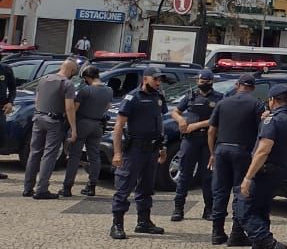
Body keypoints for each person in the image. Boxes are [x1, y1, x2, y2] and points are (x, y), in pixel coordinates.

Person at [236, 84, 287, 249]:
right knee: (260, 210)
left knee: (244, 209)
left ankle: (271, 245)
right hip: (278, 170)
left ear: (272, 100)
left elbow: (263, 149)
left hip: (263, 171)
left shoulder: (272, 120)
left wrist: (248, 177)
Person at [108, 67, 169, 239]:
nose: (158, 83)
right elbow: (118, 126)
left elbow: (160, 123)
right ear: (145, 79)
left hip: (152, 149)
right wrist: (117, 153)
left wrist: (162, 147)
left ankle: (144, 222)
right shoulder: (132, 98)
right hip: (134, 149)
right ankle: (117, 224)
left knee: (147, 187)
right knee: (124, 186)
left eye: (160, 80)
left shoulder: (158, 97)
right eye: (155, 79)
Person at [208, 74, 265, 246]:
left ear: (237, 85)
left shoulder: (222, 102)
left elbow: (211, 131)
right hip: (243, 151)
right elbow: (262, 132)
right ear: (253, 88)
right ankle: (236, 233)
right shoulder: (257, 104)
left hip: (221, 149)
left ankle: (217, 233)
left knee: (219, 192)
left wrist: (212, 153)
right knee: (240, 192)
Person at [170, 69, 224, 222]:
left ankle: (208, 209)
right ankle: (179, 208)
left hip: (208, 140)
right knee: (184, 174)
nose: (204, 84)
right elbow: (175, 111)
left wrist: (197, 125)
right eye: (202, 81)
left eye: (207, 82)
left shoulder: (219, 98)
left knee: (208, 176)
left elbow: (218, 118)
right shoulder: (191, 96)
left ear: (212, 82)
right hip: (190, 140)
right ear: (197, 82)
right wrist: (180, 120)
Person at [23, 58, 79, 199]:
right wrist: (73, 127)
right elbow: (69, 107)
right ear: (72, 71)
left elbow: (37, 100)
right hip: (54, 121)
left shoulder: (43, 79)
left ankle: (27, 188)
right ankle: (41, 190)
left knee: (34, 152)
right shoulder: (67, 84)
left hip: (38, 117)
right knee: (49, 155)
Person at [61, 65, 113, 196]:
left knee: (74, 156)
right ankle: (92, 186)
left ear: (88, 77)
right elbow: (108, 106)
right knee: (94, 156)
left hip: (83, 123)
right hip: (98, 125)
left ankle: (67, 187)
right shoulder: (109, 90)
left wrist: (69, 126)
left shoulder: (86, 90)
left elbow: (74, 109)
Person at [0, 54, 15, 179]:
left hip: (1, 109)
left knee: (1, 138)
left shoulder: (6, 69)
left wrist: (10, 102)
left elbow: (12, 88)